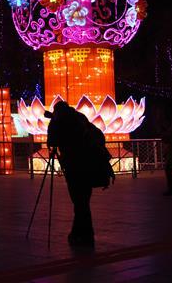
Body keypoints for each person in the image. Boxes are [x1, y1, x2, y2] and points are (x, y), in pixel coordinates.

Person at [46, 100, 113, 248]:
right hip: (88, 164)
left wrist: (53, 123)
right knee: (83, 201)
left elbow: (51, 141)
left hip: (73, 166)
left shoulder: (58, 121)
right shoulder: (80, 117)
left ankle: (83, 234)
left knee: (79, 201)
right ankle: (80, 233)